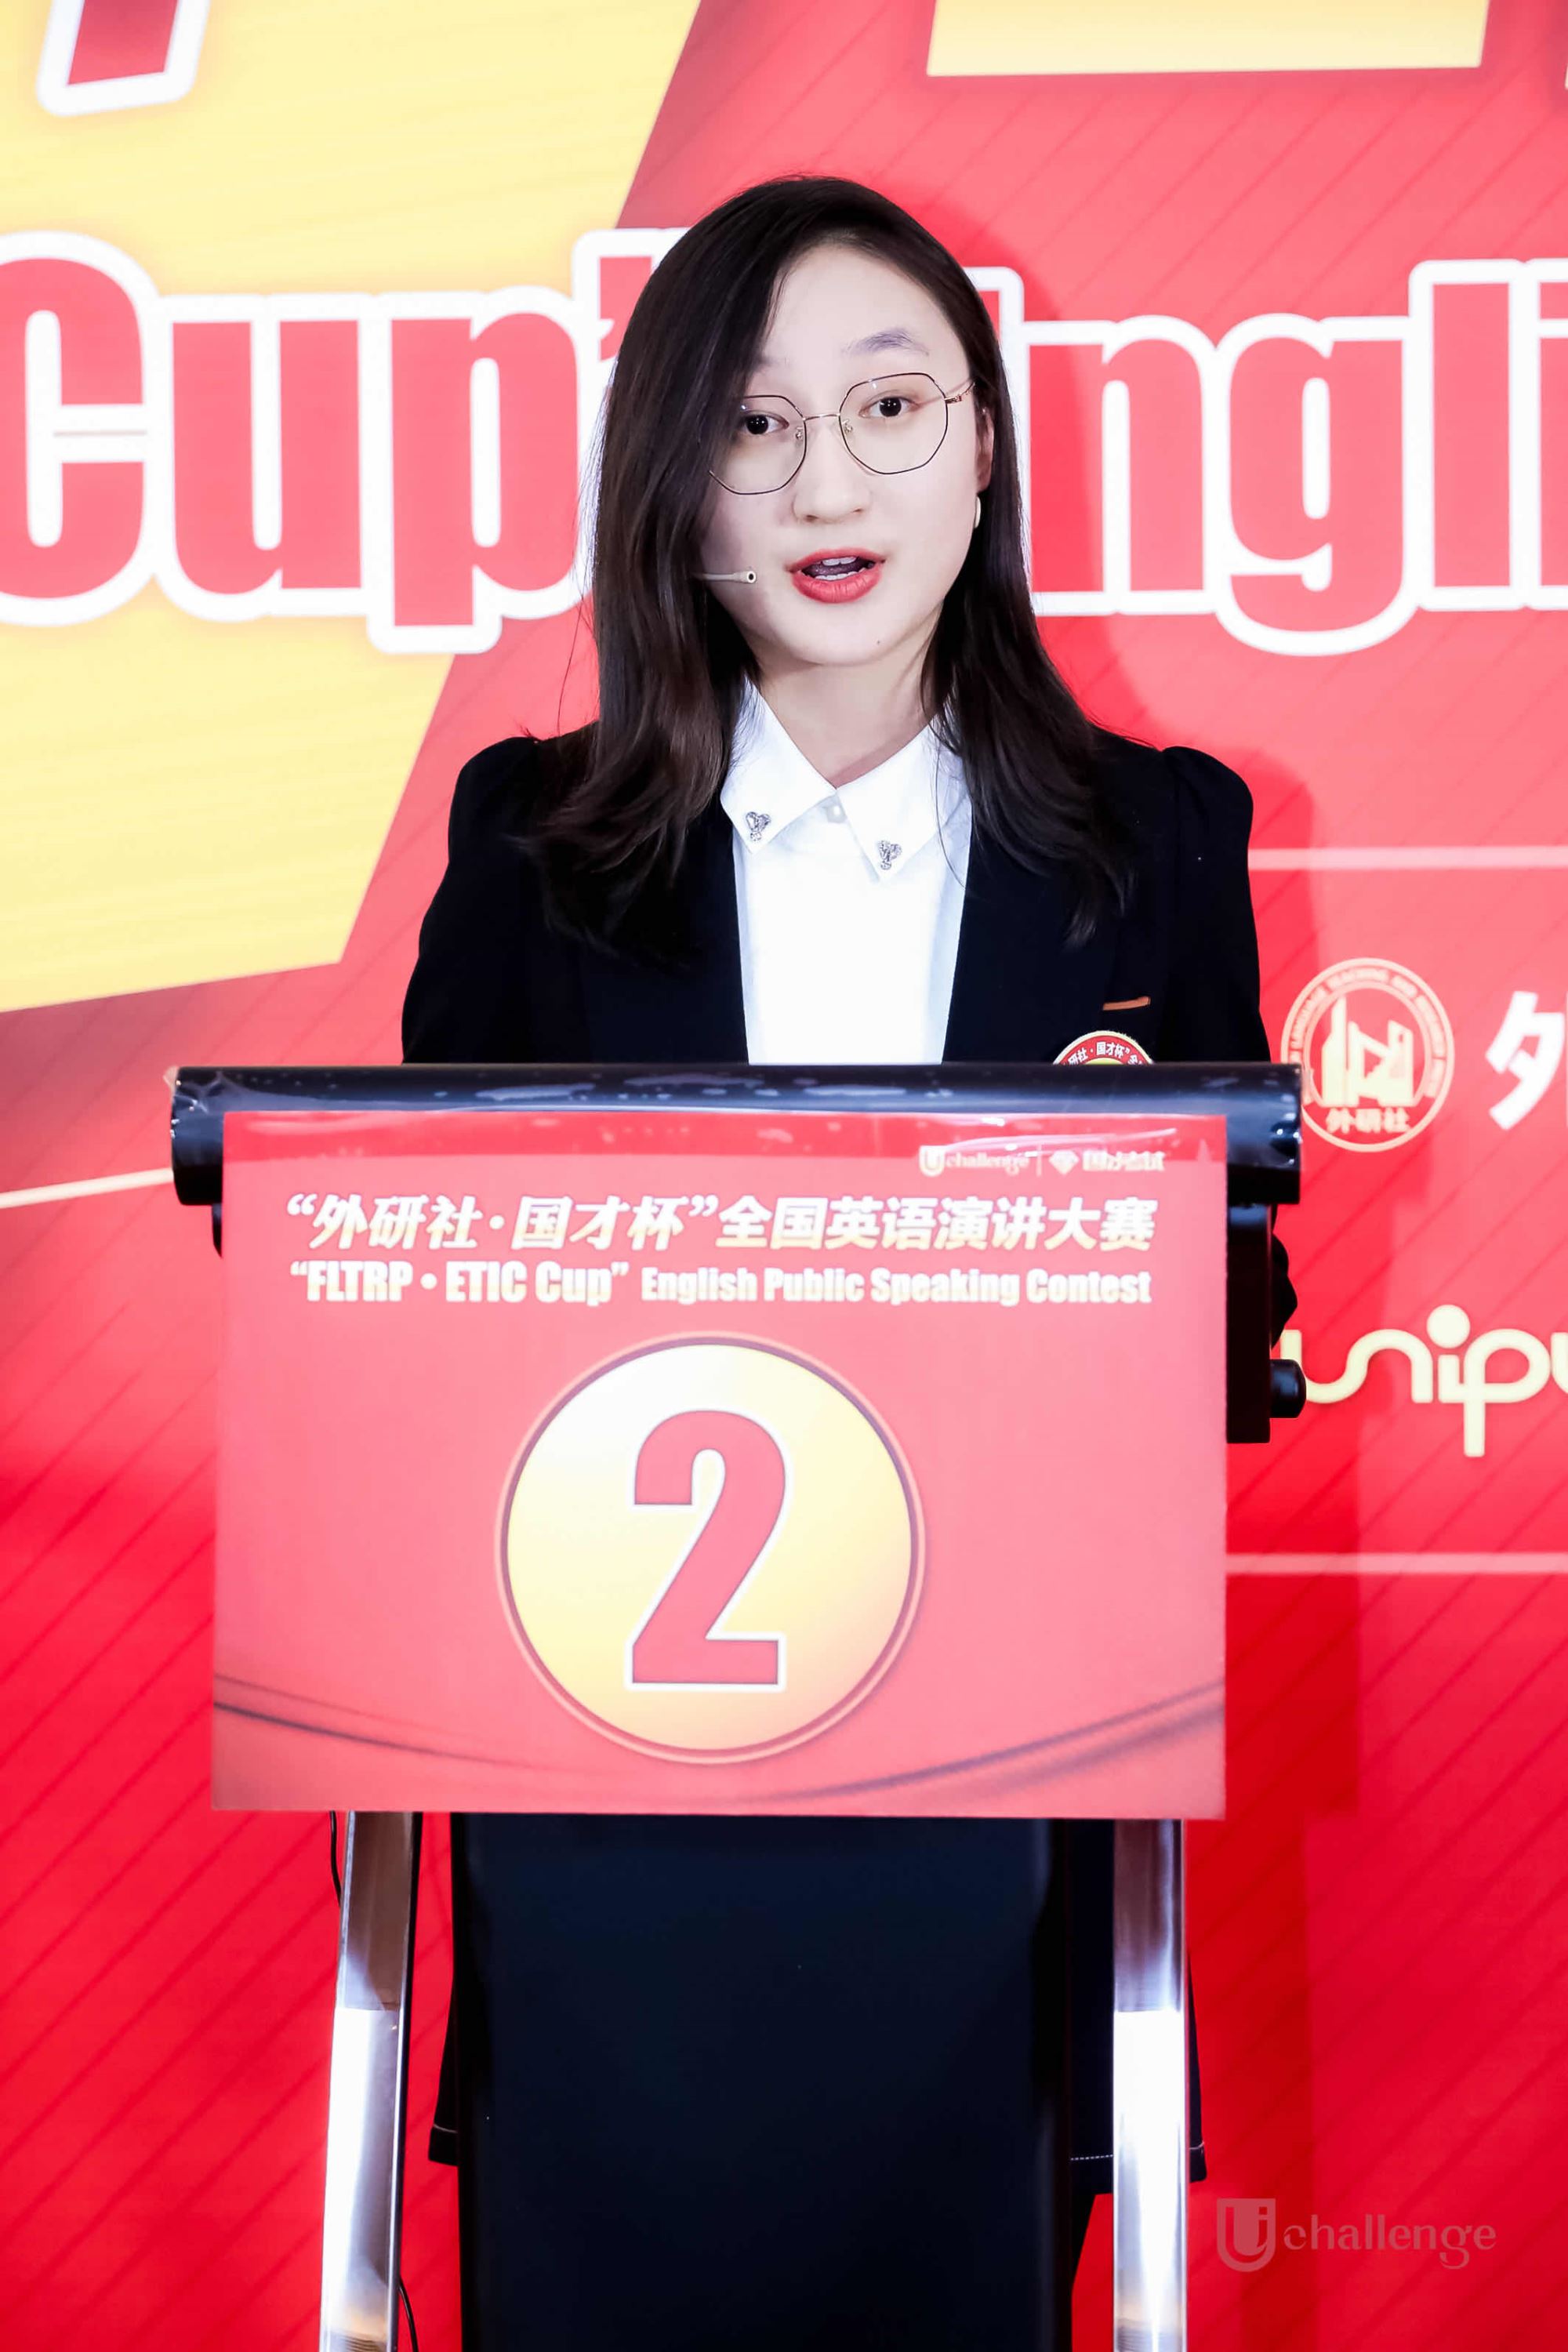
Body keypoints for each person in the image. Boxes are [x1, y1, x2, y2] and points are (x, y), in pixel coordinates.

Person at [402, 172, 1294, 2352]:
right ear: (672, 484)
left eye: (893, 407)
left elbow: (1237, 1309)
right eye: (754, 421)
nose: (830, 484)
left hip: (1001, 1817)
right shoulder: (534, 846)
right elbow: (406, 1310)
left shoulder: (1157, 844)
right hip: (616, 1814)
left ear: (984, 452)